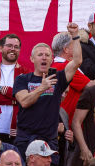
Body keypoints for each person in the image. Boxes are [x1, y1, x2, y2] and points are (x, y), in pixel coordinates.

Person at [14, 25, 83, 157]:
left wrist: (75, 36)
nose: (44, 58)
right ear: (32, 59)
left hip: (49, 140)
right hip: (26, 139)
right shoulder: (22, 79)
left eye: (47, 55)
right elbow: (24, 102)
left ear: (52, 59)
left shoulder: (58, 78)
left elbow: (77, 61)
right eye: (40, 55)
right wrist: (42, 88)